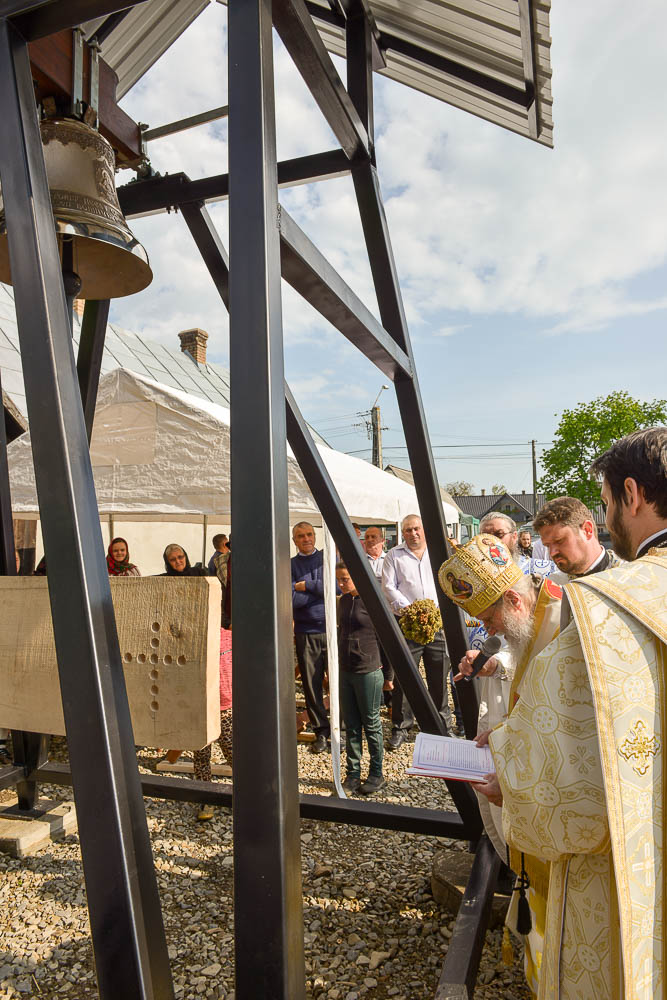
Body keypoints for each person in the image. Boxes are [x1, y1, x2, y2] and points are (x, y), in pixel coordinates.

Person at [484, 427, 667, 999]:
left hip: (632, 874)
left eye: (609, 502)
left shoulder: (607, 610)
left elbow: (563, 781)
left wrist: (504, 763)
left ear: (630, 495)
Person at [440, 534, 563, 994]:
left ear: (512, 597)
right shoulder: (526, 617)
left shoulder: (566, 615)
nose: (488, 629)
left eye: (489, 617)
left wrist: (510, 768)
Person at [381, 514, 454, 748]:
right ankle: (401, 727)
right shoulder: (394, 555)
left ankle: (441, 727)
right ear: (403, 533)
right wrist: (411, 610)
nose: (413, 534)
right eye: (408, 530)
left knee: (438, 677)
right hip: (409, 625)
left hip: (437, 626)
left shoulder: (439, 552)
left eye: (416, 529)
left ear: (424, 530)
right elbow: (388, 587)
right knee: (406, 678)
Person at [335, 563, 385, 796]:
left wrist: (389, 676)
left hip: (368, 669)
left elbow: (386, 638)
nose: (341, 584)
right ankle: (353, 773)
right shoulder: (343, 601)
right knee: (352, 725)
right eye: (339, 580)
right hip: (346, 670)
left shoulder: (372, 601)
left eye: (345, 579)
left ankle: (376, 773)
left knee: (371, 723)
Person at [291, 522, 330, 754]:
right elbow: (291, 599)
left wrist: (306, 586)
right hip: (306, 633)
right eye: (300, 536)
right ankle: (321, 731)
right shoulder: (290, 565)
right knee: (311, 685)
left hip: (331, 630)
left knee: (338, 682)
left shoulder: (326, 559)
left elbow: (334, 587)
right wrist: (319, 592)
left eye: (309, 535)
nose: (306, 539)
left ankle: (340, 728)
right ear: (294, 540)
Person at [533, 495, 621, 588]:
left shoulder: (630, 575)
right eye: (547, 546)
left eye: (559, 541)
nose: (552, 553)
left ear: (587, 530)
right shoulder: (552, 587)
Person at [364, 526, 393, 705]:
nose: (370, 540)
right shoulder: (359, 560)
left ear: (383, 541)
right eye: (367, 537)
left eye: (374, 537)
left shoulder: (390, 559)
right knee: (372, 655)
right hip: (366, 615)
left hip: (388, 614)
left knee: (388, 654)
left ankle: (390, 697)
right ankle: (376, 697)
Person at [479, 512, 555, 577]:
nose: (491, 541)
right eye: (484, 536)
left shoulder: (544, 570)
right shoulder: (471, 574)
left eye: (499, 534)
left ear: (514, 536)